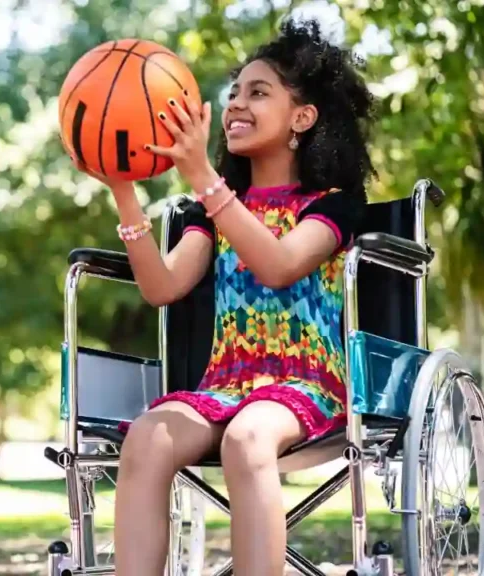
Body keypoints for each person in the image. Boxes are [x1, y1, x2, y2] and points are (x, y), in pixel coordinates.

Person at [75, 19, 375, 575]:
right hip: (225, 385)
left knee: (248, 436)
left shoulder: (333, 205)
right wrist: (123, 189)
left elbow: (281, 265)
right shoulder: (207, 215)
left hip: (306, 383)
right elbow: (162, 287)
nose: (237, 103)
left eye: (258, 92)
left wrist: (204, 179)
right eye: (233, 92)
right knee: (146, 437)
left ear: (302, 118)